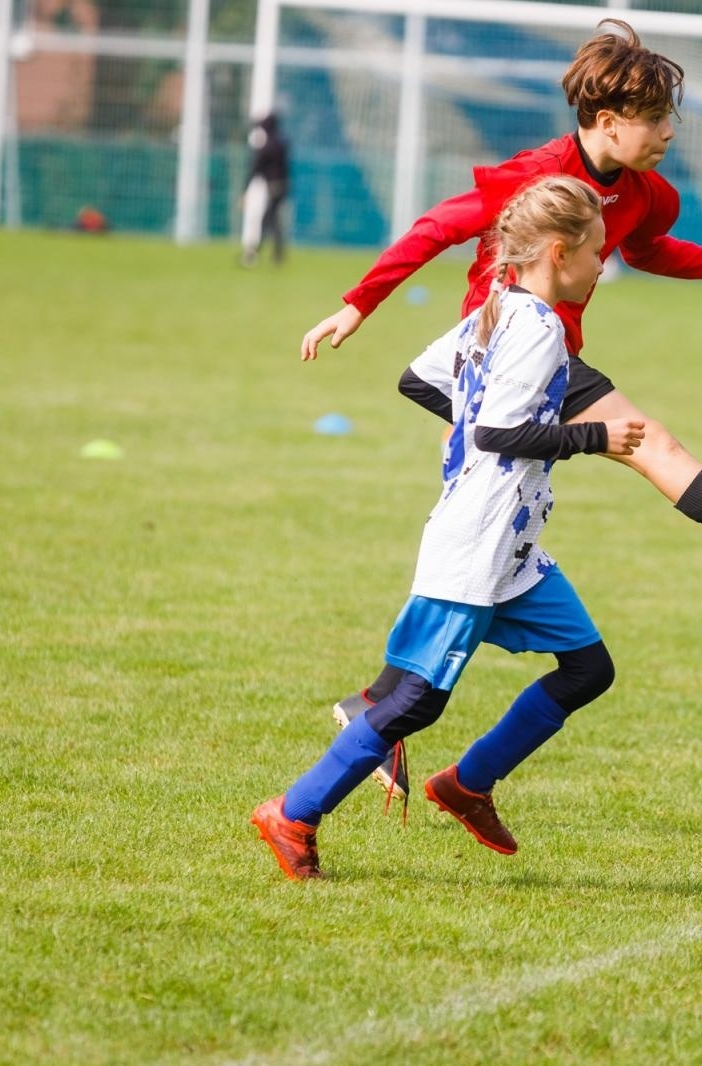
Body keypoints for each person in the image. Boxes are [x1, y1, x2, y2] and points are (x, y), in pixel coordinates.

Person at [300, 19, 702, 594]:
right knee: (651, 447)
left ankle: (470, 582)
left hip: (533, 356)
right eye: (655, 119)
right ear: (608, 123)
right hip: (511, 345)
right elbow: (437, 227)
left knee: (489, 506)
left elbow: (647, 250)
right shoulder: (539, 178)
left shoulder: (643, 193)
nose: (668, 133)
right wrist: (358, 304)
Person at [252, 177, 645, 878]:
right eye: (596, 251)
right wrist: (594, 437)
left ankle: (468, 783)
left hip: (512, 548)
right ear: (559, 253)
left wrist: (480, 425)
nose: (601, 265)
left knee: (589, 668)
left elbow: (417, 380)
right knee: (416, 700)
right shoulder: (538, 328)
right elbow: (496, 432)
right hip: (476, 545)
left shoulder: (498, 308)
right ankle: (294, 811)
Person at [241, 113, 290, 267]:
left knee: (270, 219)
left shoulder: (267, 147)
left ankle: (258, 252)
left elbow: (255, 169)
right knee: (271, 219)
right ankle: (271, 253)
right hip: (283, 185)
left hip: (273, 186)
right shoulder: (282, 144)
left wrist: (245, 190)